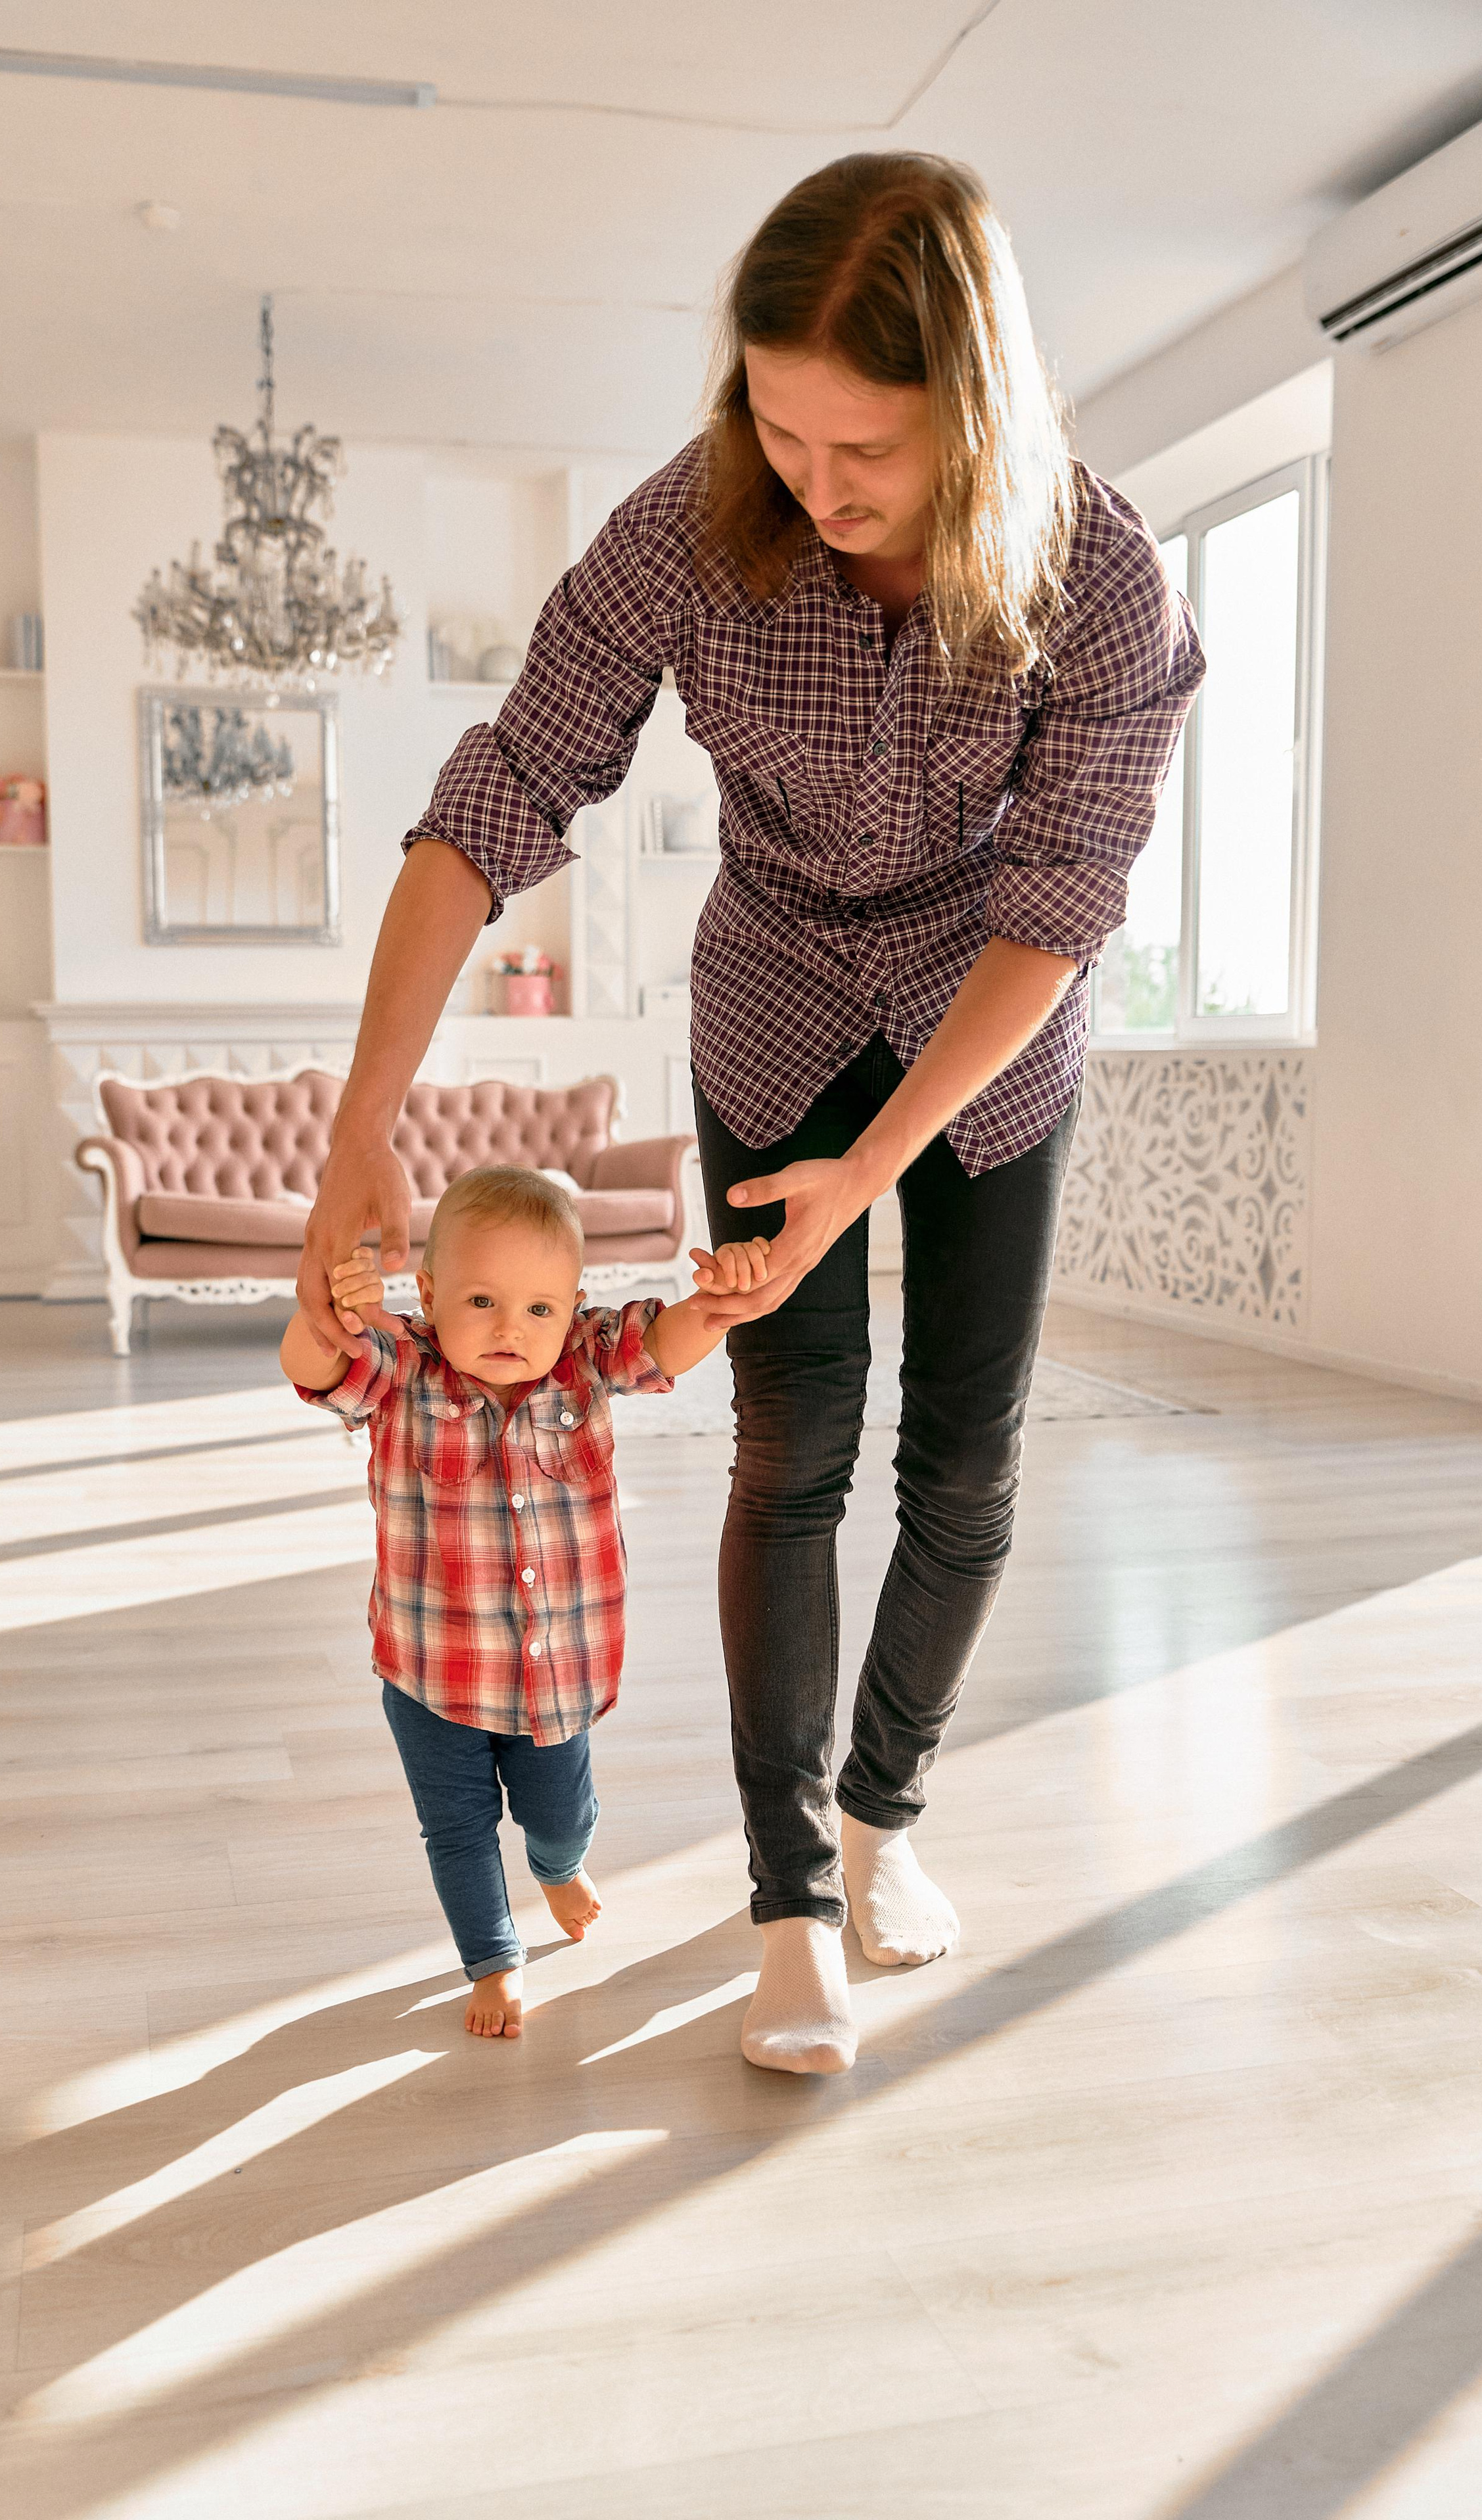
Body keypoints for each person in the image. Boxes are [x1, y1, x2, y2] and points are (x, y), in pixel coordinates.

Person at [298, 152, 1203, 2076]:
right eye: (781, 425)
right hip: (781, 992)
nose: (818, 479)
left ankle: (885, 1825)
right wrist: (362, 1109)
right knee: (791, 1433)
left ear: (982, 407)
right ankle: (787, 1889)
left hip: (988, 1024)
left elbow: (1057, 905)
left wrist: (876, 1169)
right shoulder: (692, 527)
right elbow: (509, 782)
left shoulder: (1104, 584)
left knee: (962, 1460)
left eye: (865, 443)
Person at [281, 1163, 771, 2040]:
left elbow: (668, 1339)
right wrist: (330, 1311)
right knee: (458, 1831)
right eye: (480, 1302)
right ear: (429, 1294)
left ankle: (557, 1864)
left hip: (557, 1677)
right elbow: (314, 1368)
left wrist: (720, 1302)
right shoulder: (401, 1370)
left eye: (539, 1308)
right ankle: (494, 1958)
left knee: (562, 1812)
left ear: (573, 1304)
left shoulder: (585, 1360)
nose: (512, 1328)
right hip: (432, 1677)